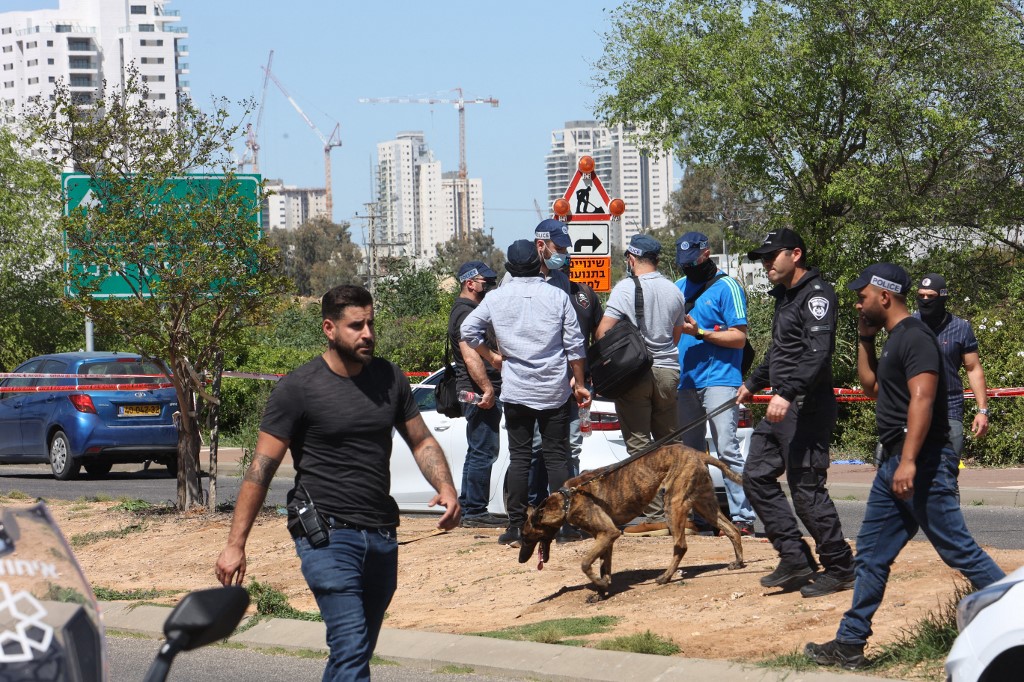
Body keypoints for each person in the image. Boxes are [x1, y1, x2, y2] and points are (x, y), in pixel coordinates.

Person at [215, 285, 460, 682]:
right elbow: (260, 469)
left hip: (381, 533)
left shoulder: (389, 378)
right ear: (329, 328)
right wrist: (234, 544)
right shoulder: (299, 388)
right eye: (356, 326)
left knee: (356, 652)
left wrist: (447, 488)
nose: (367, 334)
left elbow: (422, 440)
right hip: (327, 535)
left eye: (371, 324)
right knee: (349, 646)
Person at [805, 263, 1006, 671]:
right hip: (895, 460)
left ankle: (1016, 614)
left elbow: (923, 399)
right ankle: (849, 643)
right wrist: (864, 339)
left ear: (884, 296)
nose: (859, 303)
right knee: (872, 556)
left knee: (958, 549)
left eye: (862, 297)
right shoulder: (896, 338)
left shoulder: (917, 338)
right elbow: (871, 387)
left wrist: (910, 461)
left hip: (923, 460)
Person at [736, 228, 854, 598]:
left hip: (806, 406)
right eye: (764, 258)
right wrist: (752, 383)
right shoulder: (785, 297)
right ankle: (795, 557)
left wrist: (786, 393)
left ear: (796, 254)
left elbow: (818, 353)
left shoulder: (817, 295)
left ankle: (840, 567)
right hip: (779, 407)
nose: (767, 263)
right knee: (755, 476)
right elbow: (778, 351)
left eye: (773, 255)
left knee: (806, 490)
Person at [461, 239, 590, 548]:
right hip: (553, 388)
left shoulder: (496, 298)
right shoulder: (558, 296)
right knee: (557, 456)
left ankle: (517, 527)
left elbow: (468, 331)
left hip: (517, 389)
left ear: (509, 268)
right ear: (538, 262)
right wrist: (580, 382)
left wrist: (491, 355)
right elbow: (574, 345)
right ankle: (565, 527)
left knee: (519, 458)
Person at [596, 233, 687, 537]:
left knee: (640, 447)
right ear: (657, 260)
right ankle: (677, 512)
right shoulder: (675, 290)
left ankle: (654, 516)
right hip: (668, 371)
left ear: (632, 260)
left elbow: (603, 332)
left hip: (635, 375)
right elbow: (676, 335)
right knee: (670, 445)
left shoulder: (624, 288)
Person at [674, 231, 757, 536]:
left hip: (721, 379)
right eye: (683, 263)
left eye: (692, 261)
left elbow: (739, 338)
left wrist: (701, 334)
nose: (687, 268)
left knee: (727, 449)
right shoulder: (678, 288)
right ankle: (704, 517)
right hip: (686, 381)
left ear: (706, 253)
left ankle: (743, 519)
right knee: (691, 457)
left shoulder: (728, 287)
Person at [448, 260, 505, 528]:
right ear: (470, 283)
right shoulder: (465, 313)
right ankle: (475, 511)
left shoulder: (467, 310)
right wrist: (487, 389)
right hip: (477, 391)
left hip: (473, 390)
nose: (489, 287)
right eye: (486, 283)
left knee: (477, 450)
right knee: (484, 450)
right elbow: (471, 357)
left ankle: (469, 506)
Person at [913, 273, 990, 461]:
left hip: (949, 409)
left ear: (942, 297)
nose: (925, 300)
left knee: (947, 475)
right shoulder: (909, 325)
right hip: (914, 409)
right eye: (921, 295)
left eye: (930, 296)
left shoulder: (960, 327)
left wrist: (982, 411)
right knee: (912, 476)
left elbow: (973, 369)